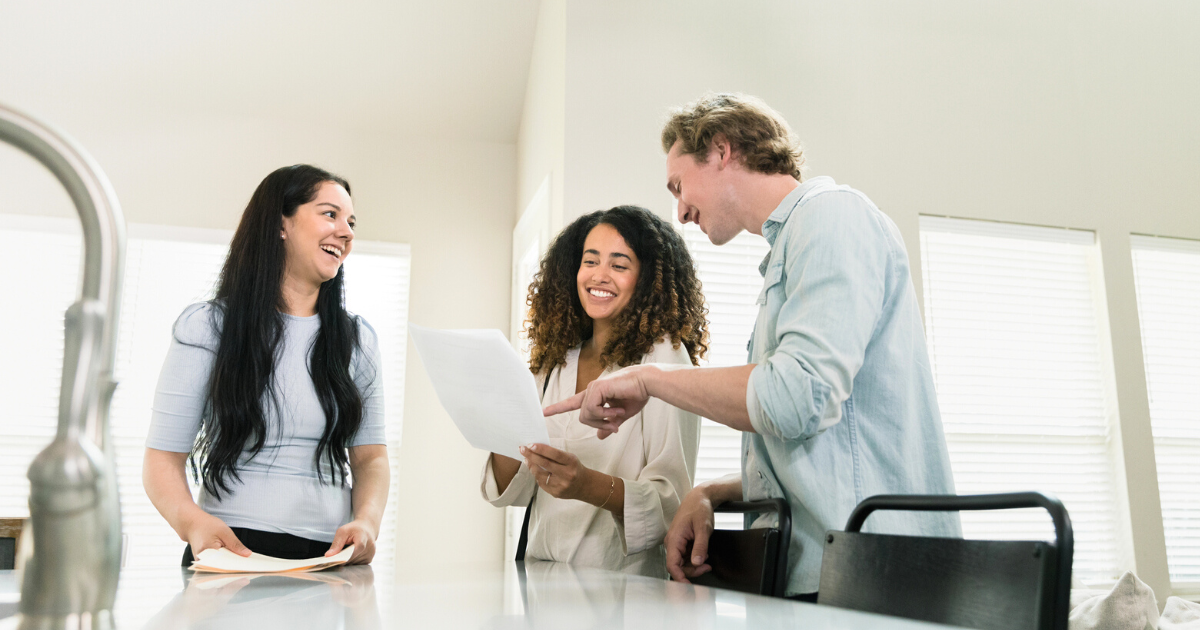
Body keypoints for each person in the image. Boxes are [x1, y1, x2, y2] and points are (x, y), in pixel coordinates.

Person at [543, 93, 960, 599]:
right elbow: (815, 446)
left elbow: (792, 399)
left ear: (720, 150)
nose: (679, 212)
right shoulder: (791, 249)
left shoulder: (833, 217)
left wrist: (650, 381)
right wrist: (711, 492)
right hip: (821, 569)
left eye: (679, 185)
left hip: (874, 574)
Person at [143, 164, 389, 566]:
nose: (346, 232)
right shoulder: (209, 326)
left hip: (328, 557)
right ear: (281, 225)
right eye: (330, 214)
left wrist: (366, 523)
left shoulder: (358, 340)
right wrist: (192, 523)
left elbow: (371, 458)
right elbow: (161, 459)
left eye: (351, 222)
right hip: (229, 551)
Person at [482, 205, 708, 577]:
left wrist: (588, 485)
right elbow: (514, 491)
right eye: (590, 261)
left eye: (619, 265)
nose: (599, 276)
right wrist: (499, 422)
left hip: (623, 589)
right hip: (541, 581)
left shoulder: (664, 359)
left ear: (648, 279)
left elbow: (672, 502)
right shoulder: (555, 361)